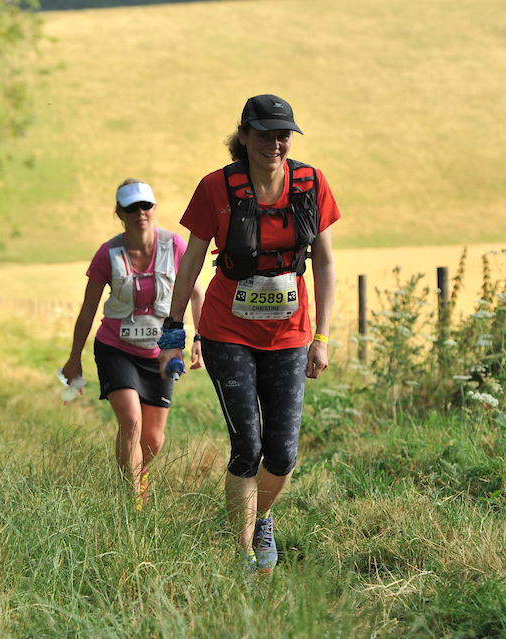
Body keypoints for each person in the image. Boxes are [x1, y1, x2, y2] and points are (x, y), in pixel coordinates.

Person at [157, 95, 340, 573]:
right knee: (248, 447)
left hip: (290, 334)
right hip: (226, 331)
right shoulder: (215, 187)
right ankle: (242, 556)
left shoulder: (311, 183)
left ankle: (261, 517)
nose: (275, 144)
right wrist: (175, 327)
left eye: (284, 135)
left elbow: (323, 261)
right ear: (244, 135)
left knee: (282, 455)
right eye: (264, 134)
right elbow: (192, 259)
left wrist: (322, 336)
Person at [61, 179, 205, 510]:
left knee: (153, 439)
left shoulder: (175, 245)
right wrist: (74, 360)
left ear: (153, 208)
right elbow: (87, 310)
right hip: (116, 348)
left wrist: (199, 337)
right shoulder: (107, 253)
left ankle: (139, 475)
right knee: (131, 421)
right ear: (119, 213)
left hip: (162, 353)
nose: (140, 213)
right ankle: (133, 504)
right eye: (131, 208)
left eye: (145, 206)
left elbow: (197, 293)